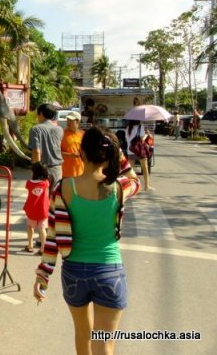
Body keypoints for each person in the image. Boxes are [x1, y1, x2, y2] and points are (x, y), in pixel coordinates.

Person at [34, 128, 140, 355]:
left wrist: (43, 275)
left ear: (81, 153)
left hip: (73, 273)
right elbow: (134, 178)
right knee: (104, 344)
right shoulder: (119, 188)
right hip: (109, 272)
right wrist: (118, 155)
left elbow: (52, 237)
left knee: (83, 335)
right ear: (109, 154)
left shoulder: (63, 188)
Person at [28, 103, 63, 191]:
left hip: (42, 170)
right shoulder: (59, 129)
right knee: (53, 199)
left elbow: (36, 151)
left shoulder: (36, 129)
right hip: (57, 169)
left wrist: (36, 170)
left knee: (40, 199)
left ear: (41, 114)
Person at [24, 161, 50, 255]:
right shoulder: (46, 183)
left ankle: (30, 245)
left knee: (30, 227)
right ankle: (43, 248)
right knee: (42, 229)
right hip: (43, 210)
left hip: (32, 209)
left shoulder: (29, 183)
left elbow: (28, 187)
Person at [126, 120, 153, 191]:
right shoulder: (140, 127)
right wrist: (147, 134)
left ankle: (127, 186)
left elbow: (127, 139)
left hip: (130, 150)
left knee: (129, 169)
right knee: (145, 168)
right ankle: (146, 186)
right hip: (140, 151)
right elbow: (142, 140)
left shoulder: (128, 128)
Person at [61, 111, 84, 178]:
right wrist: (69, 155)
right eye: (67, 120)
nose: (68, 122)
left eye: (71, 120)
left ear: (78, 122)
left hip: (81, 171)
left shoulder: (83, 134)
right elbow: (57, 152)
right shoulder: (62, 134)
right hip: (67, 172)